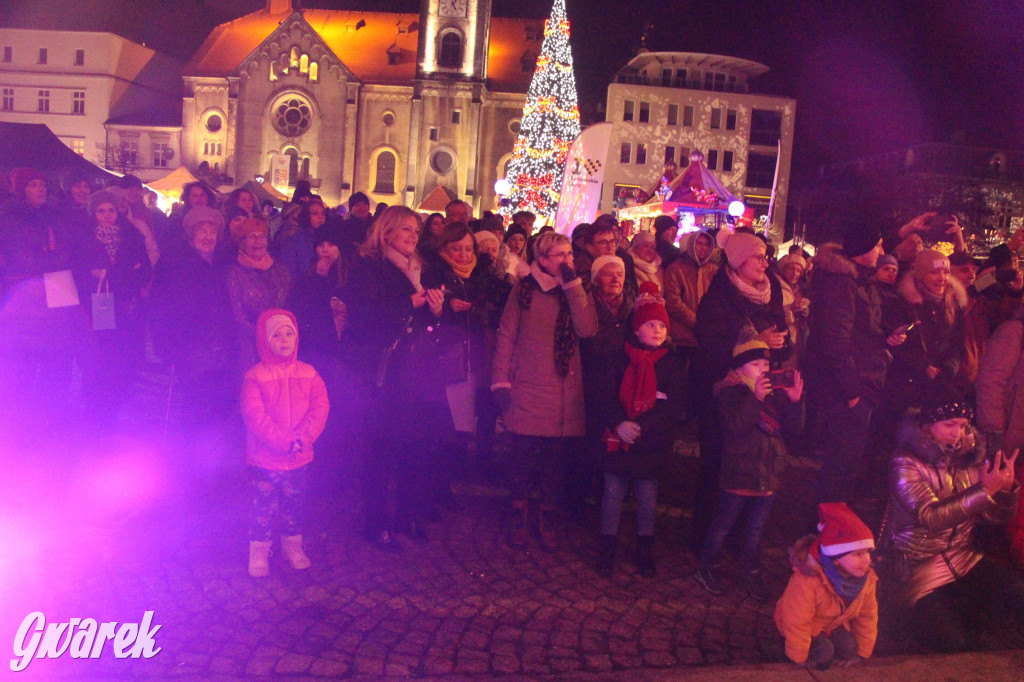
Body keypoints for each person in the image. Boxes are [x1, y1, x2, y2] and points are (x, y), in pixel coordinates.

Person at [880, 385, 1023, 652]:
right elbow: (930, 517)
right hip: (918, 567)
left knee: (1016, 596)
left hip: (962, 557)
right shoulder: (906, 461)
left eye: (964, 425)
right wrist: (985, 490)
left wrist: (1006, 491)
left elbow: (994, 518)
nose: (958, 433)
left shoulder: (970, 459)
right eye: (949, 424)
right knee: (952, 642)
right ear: (928, 426)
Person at [341, 206, 448, 550]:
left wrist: (434, 311)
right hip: (382, 374)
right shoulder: (369, 267)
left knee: (413, 445)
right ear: (386, 232)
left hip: (415, 371)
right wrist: (410, 303)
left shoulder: (419, 268)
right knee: (381, 448)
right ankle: (376, 523)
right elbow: (365, 318)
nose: (413, 237)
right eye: (406, 230)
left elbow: (427, 324)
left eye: (416, 231)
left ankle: (406, 516)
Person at [491, 231, 598, 551]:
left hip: (563, 387)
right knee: (522, 457)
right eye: (559, 255)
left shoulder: (578, 288)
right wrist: (500, 379)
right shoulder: (524, 289)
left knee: (555, 462)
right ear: (542, 259)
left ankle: (547, 515)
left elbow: (587, 328)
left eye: (569, 254)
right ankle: (519, 513)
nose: (567, 260)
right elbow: (507, 334)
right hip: (528, 386)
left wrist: (573, 286)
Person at [691, 229, 790, 548]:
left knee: (755, 466)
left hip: (761, 395)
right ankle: (707, 539)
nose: (765, 263)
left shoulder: (770, 292)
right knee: (718, 465)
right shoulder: (718, 299)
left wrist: (779, 345)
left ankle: (742, 541)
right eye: (758, 256)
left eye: (765, 256)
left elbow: (781, 341)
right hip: (726, 397)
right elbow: (710, 348)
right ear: (738, 261)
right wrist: (758, 339)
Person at [695, 337, 804, 600]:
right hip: (739, 473)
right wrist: (756, 398)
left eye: (765, 363)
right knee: (723, 524)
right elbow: (735, 428)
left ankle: (749, 570)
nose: (763, 369)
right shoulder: (730, 393)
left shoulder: (773, 395)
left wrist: (794, 402)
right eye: (755, 364)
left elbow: (795, 430)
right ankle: (706, 565)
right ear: (740, 368)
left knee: (755, 529)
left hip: (768, 474)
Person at [805, 227, 905, 505]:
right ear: (862, 248)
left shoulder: (860, 281)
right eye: (878, 245)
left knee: (846, 464)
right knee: (840, 466)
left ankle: (834, 529)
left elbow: (861, 330)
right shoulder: (840, 283)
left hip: (861, 382)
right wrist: (852, 394)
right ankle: (827, 530)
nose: (882, 253)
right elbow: (835, 341)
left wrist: (887, 337)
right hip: (850, 387)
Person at [593, 282, 684, 577]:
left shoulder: (671, 365)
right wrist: (619, 423)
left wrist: (642, 428)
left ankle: (644, 547)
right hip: (618, 440)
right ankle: (607, 546)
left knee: (647, 497)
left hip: (650, 444)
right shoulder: (619, 359)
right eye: (650, 324)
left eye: (662, 325)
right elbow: (605, 395)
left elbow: (673, 406)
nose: (657, 330)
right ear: (636, 329)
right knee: (613, 493)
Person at [241, 308, 330, 577]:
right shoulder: (254, 376)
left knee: (294, 506)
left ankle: (293, 547)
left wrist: (302, 439)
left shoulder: (309, 373)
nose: (283, 339)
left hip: (297, 458)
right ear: (264, 341)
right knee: (262, 508)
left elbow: (320, 408)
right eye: (276, 335)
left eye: (289, 333)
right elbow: (256, 417)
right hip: (265, 460)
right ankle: (259, 551)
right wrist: (284, 442)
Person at [150, 206, 236, 422]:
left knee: (219, 404)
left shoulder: (223, 263)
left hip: (220, 346)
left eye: (213, 232)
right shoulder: (172, 263)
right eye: (202, 231)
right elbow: (159, 307)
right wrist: (165, 346)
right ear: (191, 234)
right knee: (194, 405)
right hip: (189, 346)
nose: (208, 237)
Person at [74, 190, 153, 425]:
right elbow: (80, 273)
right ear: (93, 213)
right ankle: (98, 409)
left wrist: (112, 275)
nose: (107, 216)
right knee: (101, 356)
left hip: (126, 306)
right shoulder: (84, 238)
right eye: (101, 211)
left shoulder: (131, 235)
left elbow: (145, 271)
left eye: (111, 210)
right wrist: (125, 273)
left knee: (123, 357)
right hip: (98, 304)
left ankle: (118, 404)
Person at [775, 503, 878, 670]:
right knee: (825, 653)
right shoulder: (807, 580)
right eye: (857, 554)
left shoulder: (866, 579)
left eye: (867, 552)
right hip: (808, 625)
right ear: (836, 559)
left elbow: (868, 615)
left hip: (832, 624)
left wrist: (862, 653)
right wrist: (799, 657)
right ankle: (790, 646)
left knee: (849, 648)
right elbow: (796, 621)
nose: (866, 560)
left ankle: (828, 644)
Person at [976, 307, 1024, 564]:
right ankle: (988, 557)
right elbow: (990, 382)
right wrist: (993, 430)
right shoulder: (1013, 332)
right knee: (996, 494)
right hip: (1007, 433)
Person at [226, 217, 291, 371]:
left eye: (262, 236)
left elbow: (288, 304)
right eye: (252, 237)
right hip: (248, 345)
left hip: (280, 342)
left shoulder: (279, 269)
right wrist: (262, 335)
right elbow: (237, 314)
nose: (258, 241)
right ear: (241, 242)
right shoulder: (234, 272)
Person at [664, 230, 718, 359]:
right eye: (699, 243)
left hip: (707, 336)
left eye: (706, 244)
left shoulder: (714, 271)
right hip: (682, 336)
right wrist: (696, 322)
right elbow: (673, 302)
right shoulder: (676, 269)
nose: (703, 248)